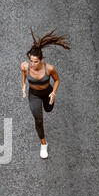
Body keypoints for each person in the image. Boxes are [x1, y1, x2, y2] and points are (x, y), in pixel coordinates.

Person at [21, 29, 71, 158]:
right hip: (34, 95)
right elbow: (23, 76)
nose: (32, 64)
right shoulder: (25, 66)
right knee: (38, 119)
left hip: (47, 92)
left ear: (41, 60)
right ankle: (43, 144)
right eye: (31, 61)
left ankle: (49, 102)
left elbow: (57, 80)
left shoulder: (49, 68)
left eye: (35, 61)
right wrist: (23, 86)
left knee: (48, 109)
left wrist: (53, 93)